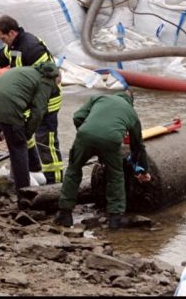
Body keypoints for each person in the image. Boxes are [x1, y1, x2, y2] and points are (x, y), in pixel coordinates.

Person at [0, 15, 65, 185]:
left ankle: (56, 182)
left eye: (3, 38)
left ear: (12, 33)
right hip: (26, 100)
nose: (2, 42)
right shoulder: (14, 46)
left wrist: (28, 123)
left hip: (46, 101)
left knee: (46, 141)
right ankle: (33, 170)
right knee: (26, 138)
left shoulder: (32, 49)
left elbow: (47, 81)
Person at [54, 89, 152, 230]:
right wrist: (144, 170)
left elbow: (77, 116)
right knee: (116, 176)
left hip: (85, 135)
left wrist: (87, 134)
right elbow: (138, 146)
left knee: (73, 171)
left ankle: (65, 214)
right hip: (112, 141)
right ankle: (115, 218)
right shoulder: (131, 113)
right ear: (131, 102)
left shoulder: (99, 98)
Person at [0, 61, 61, 208]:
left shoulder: (25, 70)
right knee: (19, 150)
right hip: (8, 105)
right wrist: (26, 134)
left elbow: (7, 94)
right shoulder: (46, 82)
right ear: (56, 79)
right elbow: (38, 112)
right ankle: (25, 198)